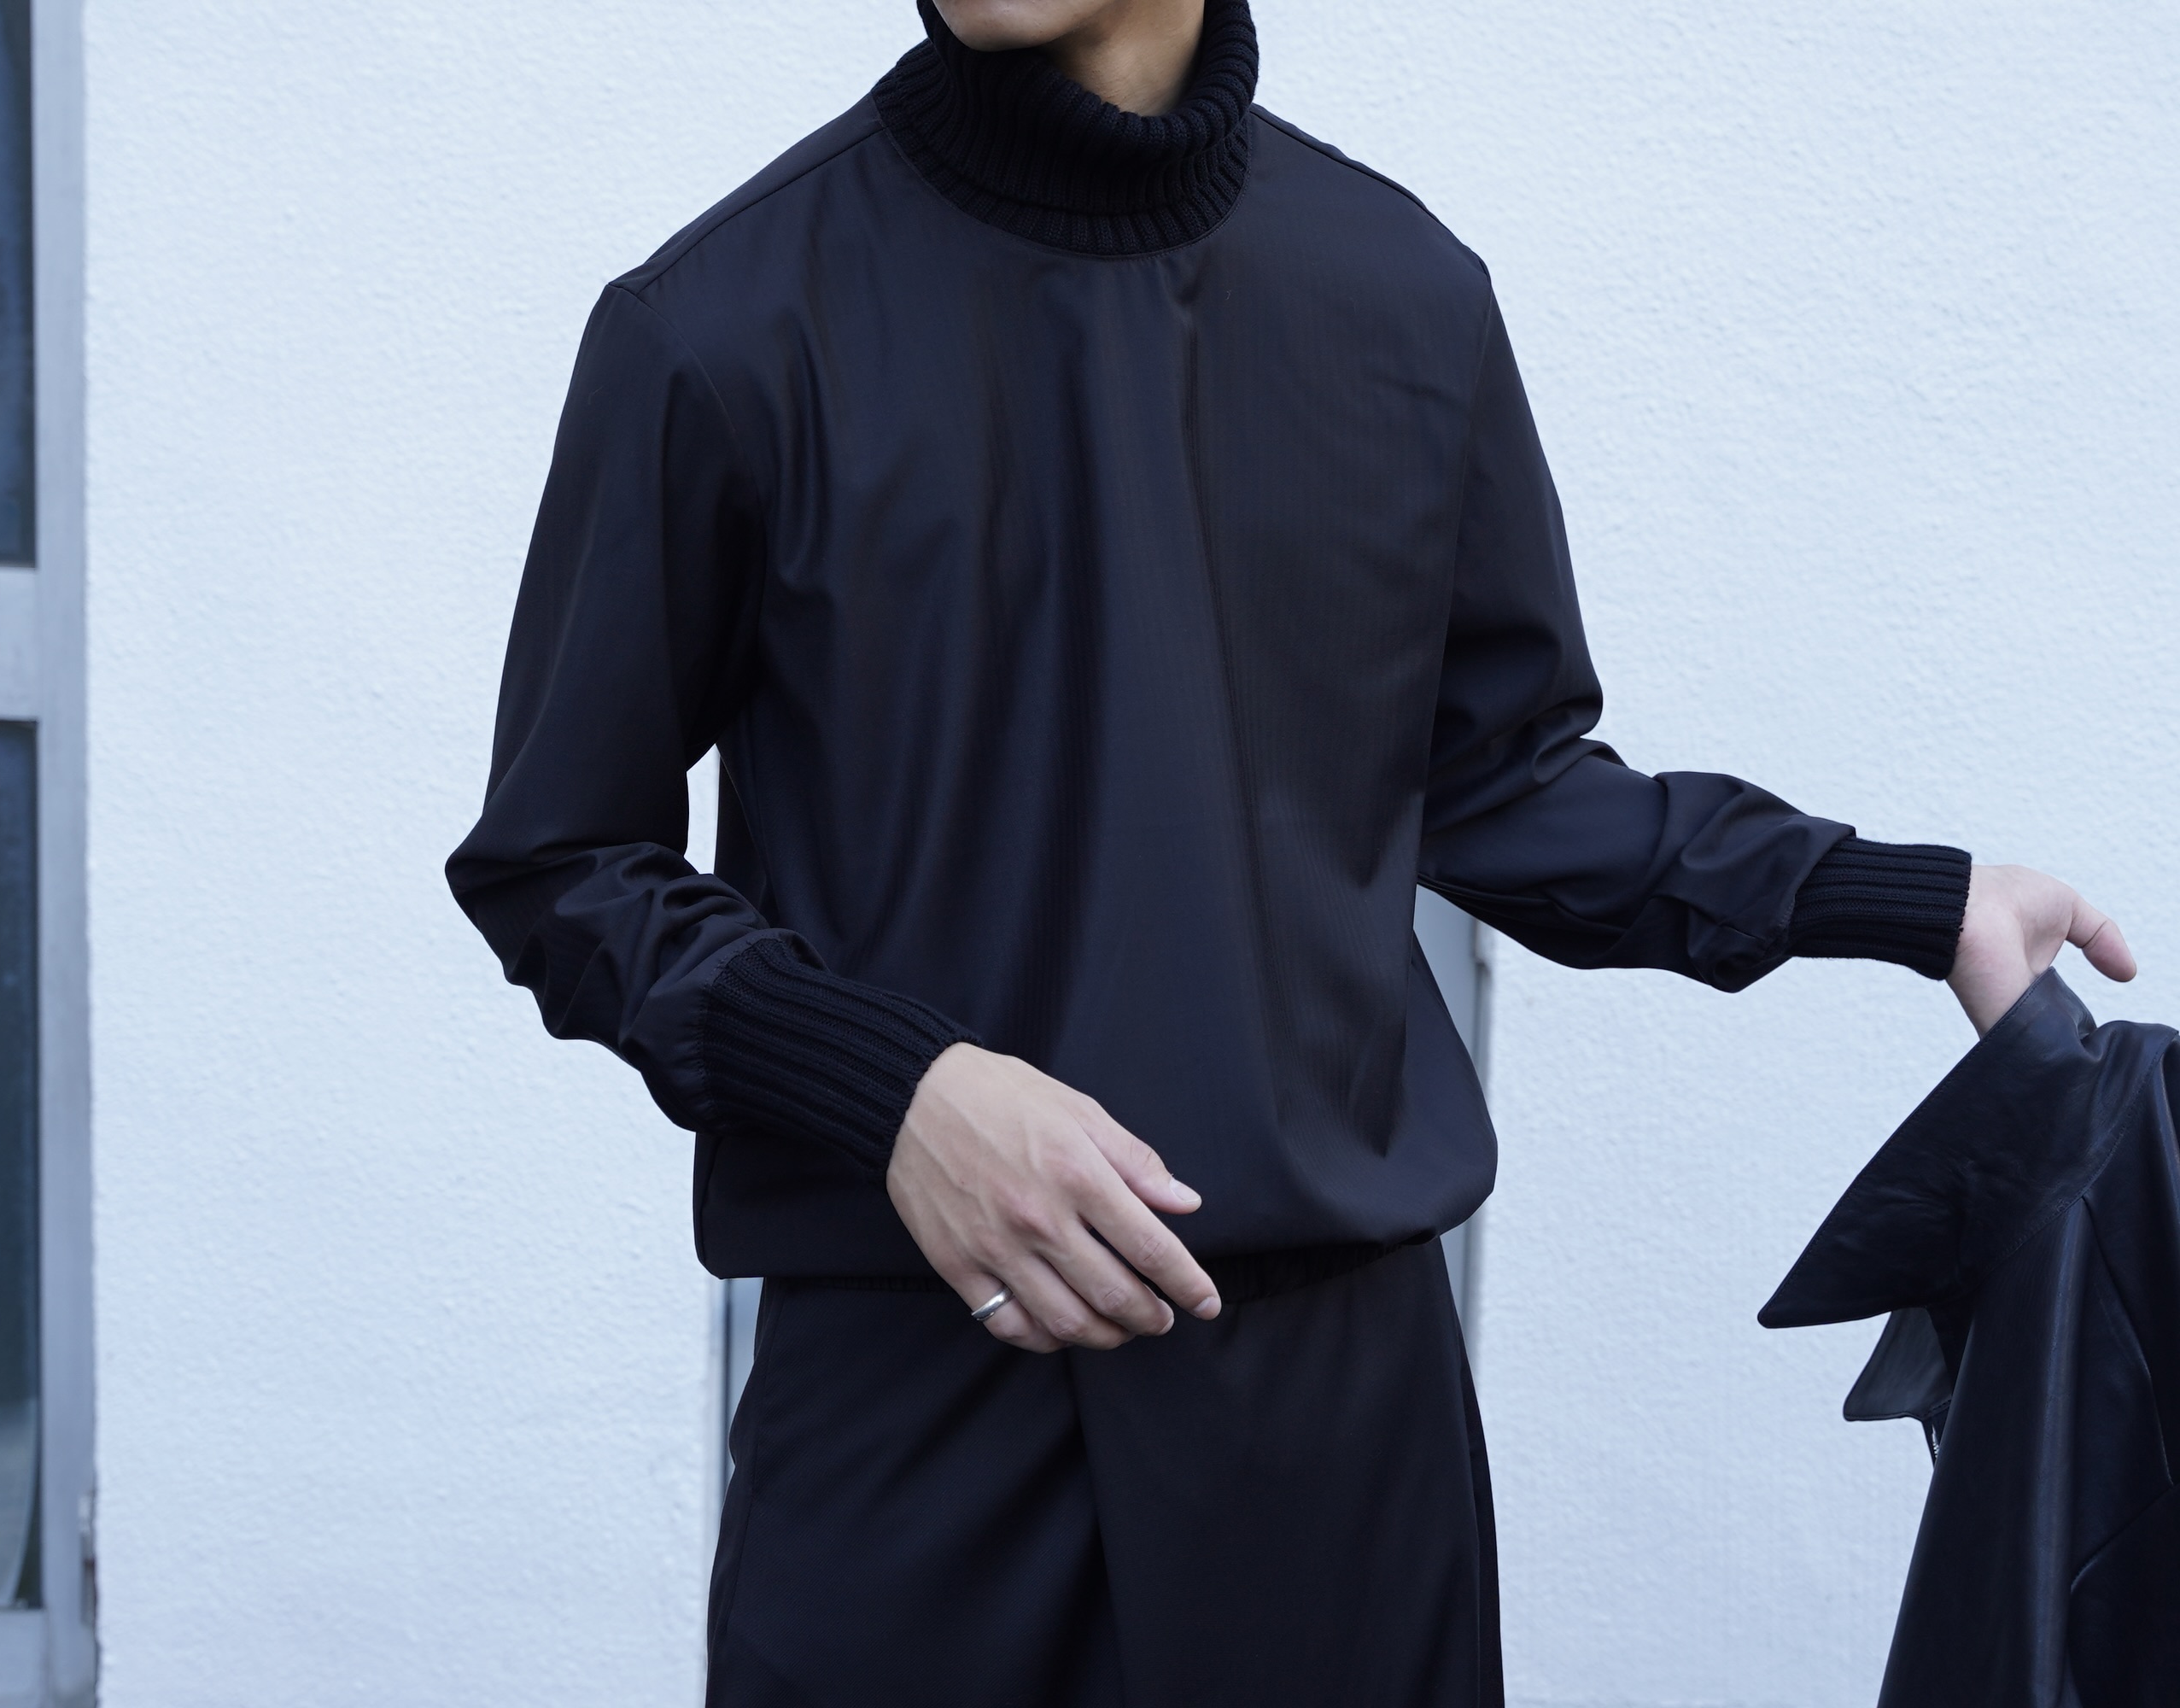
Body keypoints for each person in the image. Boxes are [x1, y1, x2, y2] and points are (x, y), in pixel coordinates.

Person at [446, 2, 2137, 1701]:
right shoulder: (720, 319)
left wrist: (1910, 901)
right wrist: (894, 1090)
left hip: (1342, 1455)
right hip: (916, 1427)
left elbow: (1501, 785)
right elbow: (560, 858)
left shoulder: (1401, 296)